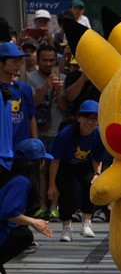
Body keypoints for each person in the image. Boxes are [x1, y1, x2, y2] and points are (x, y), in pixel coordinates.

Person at [48, 100, 105, 242]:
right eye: (86, 117)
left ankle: (86, 223)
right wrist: (51, 185)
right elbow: (55, 161)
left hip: (83, 164)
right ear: (79, 118)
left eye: (94, 119)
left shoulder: (98, 135)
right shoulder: (65, 135)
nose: (90, 122)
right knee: (66, 190)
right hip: (64, 164)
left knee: (90, 184)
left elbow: (97, 159)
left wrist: (97, 174)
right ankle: (66, 228)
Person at [0, 139, 53, 274]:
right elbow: (8, 212)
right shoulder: (22, 182)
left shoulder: (10, 174)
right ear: (39, 163)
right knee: (25, 236)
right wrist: (34, 222)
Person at [27, 45, 67, 221]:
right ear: (38, 60)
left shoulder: (63, 78)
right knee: (41, 171)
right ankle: (42, 205)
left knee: (55, 171)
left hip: (58, 131)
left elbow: (65, 108)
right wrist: (45, 87)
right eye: (44, 60)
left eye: (52, 60)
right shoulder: (29, 78)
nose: (48, 64)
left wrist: (59, 91)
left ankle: (54, 206)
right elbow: (32, 105)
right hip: (40, 131)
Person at [0, 42, 37, 150]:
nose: (18, 64)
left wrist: (35, 146)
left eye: (19, 60)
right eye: (13, 60)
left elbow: (31, 118)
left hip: (23, 155)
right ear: (1, 63)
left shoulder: (24, 88)